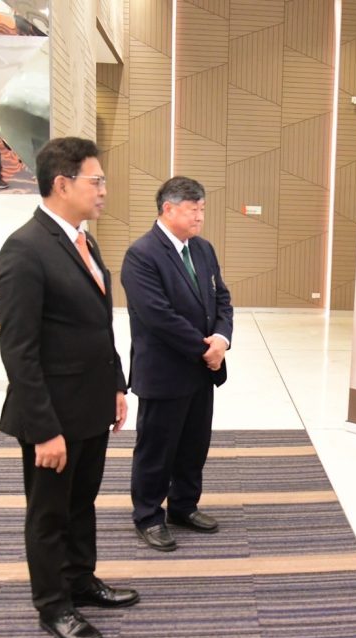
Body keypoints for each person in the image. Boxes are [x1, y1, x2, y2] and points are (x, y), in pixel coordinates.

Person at [0, 137, 138, 638]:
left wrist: (115, 385)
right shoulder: (25, 249)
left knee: (82, 502)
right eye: (96, 181)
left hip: (91, 404)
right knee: (49, 513)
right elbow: (19, 351)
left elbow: (98, 325)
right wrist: (44, 429)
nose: (103, 190)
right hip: (51, 414)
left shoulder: (84, 242)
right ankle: (53, 605)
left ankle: (80, 580)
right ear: (62, 184)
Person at [121, 176, 233, 552]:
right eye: (192, 210)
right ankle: (148, 515)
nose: (199, 216)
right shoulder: (142, 254)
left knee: (193, 445)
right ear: (167, 209)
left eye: (202, 209)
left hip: (202, 370)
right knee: (157, 448)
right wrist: (204, 349)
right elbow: (158, 316)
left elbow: (222, 300)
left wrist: (221, 339)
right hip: (165, 371)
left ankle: (184, 506)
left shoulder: (203, 249)